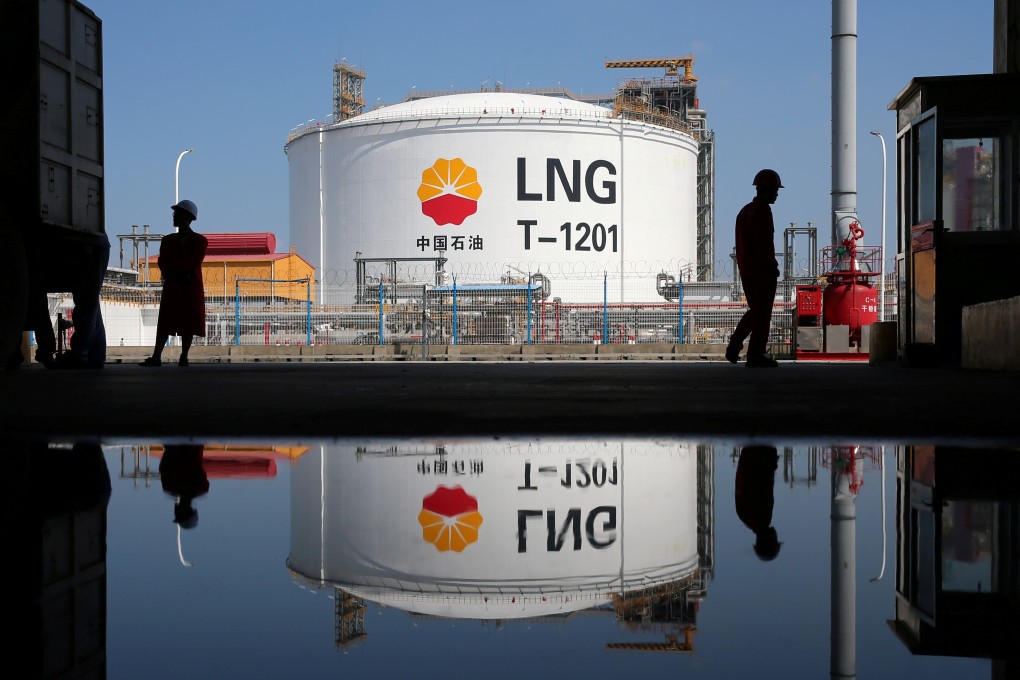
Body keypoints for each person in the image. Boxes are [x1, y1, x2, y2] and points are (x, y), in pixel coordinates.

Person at [727, 169, 783, 368]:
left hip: (748, 268)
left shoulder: (745, 211)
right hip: (761, 269)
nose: (777, 194)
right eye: (775, 190)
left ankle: (745, 349)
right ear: (766, 190)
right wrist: (771, 266)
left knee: (758, 311)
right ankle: (749, 351)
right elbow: (763, 243)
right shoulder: (761, 211)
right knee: (761, 312)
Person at [140, 200, 207, 367]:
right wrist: (179, 270)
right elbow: (169, 262)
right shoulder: (178, 240)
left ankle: (180, 355)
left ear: (187, 217)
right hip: (182, 284)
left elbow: (184, 261)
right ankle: (160, 356)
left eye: (177, 214)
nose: (174, 216)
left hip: (182, 285)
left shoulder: (197, 241)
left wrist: (173, 269)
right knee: (167, 320)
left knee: (187, 321)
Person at [50, 232, 111, 369]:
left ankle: (80, 355)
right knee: (92, 303)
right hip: (95, 244)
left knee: (87, 303)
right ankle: (95, 356)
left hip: (85, 245)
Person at [734, 445, 781, 561]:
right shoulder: (745, 518)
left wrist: (770, 462)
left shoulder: (762, 518)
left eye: (775, 539)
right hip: (749, 455)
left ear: (768, 540)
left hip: (758, 454)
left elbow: (763, 485)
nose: (776, 535)